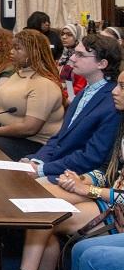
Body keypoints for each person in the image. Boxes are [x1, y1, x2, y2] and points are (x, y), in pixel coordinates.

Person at [0, 68, 124, 270]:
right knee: (44, 212)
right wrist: (86, 180)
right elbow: (109, 172)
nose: (113, 90)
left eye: (122, 87)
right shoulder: (121, 122)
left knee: (47, 216)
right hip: (110, 200)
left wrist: (87, 189)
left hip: (117, 208)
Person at [22, 34, 122, 180]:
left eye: (80, 55)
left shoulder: (113, 101)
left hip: (80, 175)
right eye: (75, 53)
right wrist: (37, 160)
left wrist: (42, 169)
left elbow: (92, 156)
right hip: (59, 164)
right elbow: (60, 137)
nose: (72, 58)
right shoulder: (86, 91)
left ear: (102, 64)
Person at [0, 30, 64, 160]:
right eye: (12, 47)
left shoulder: (44, 84)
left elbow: (29, 128)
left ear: (33, 53)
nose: (11, 52)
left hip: (35, 144)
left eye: (17, 49)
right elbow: (3, 106)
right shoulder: (18, 74)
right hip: (9, 136)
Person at [58, 23, 87, 98]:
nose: (64, 37)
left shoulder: (81, 57)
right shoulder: (64, 54)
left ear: (77, 37)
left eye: (69, 34)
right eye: (62, 34)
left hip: (73, 98)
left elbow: (79, 87)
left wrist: (62, 96)